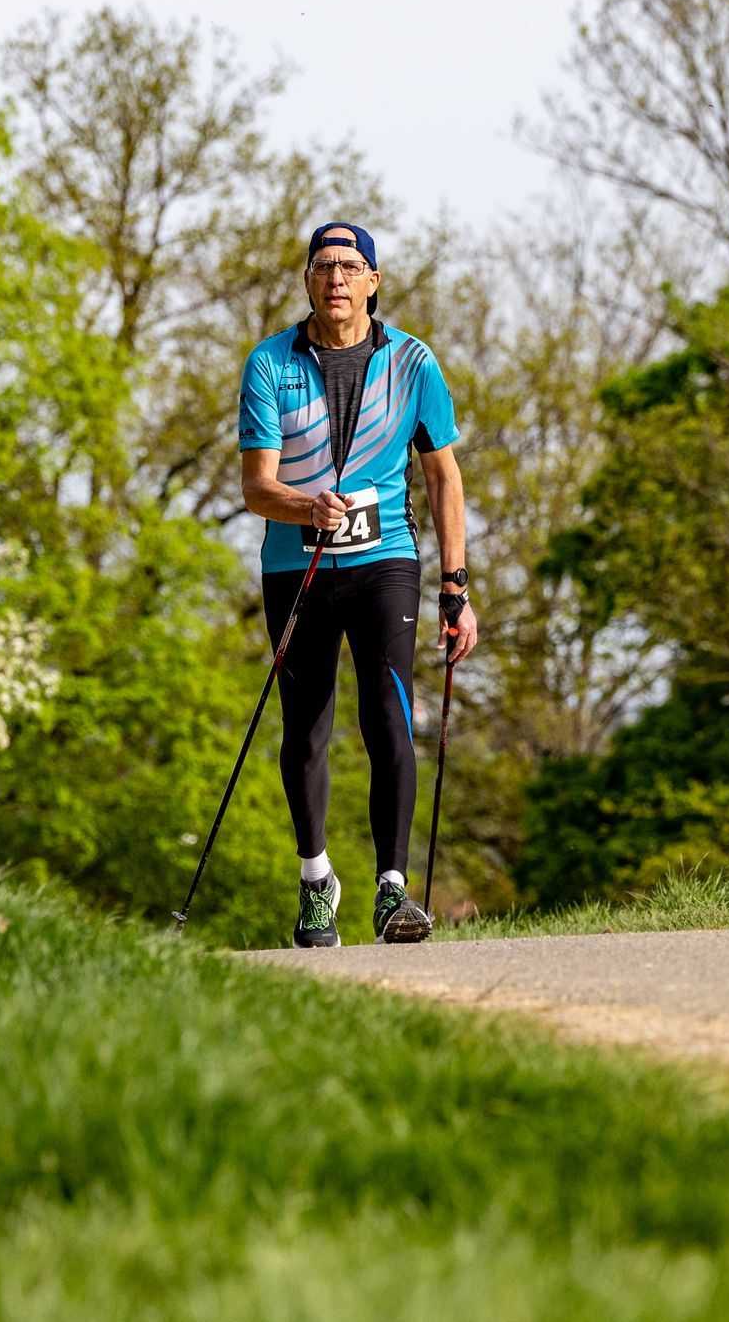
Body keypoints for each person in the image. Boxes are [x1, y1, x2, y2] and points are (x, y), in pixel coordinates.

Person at [236, 221, 478, 948]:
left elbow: (443, 477)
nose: (335, 278)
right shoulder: (271, 363)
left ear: (374, 280)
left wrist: (455, 586)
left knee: (388, 711)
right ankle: (316, 883)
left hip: (386, 561)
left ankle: (391, 890)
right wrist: (302, 506)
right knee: (305, 728)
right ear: (307, 281)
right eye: (322, 266)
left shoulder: (412, 362)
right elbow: (256, 486)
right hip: (296, 563)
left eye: (349, 266)